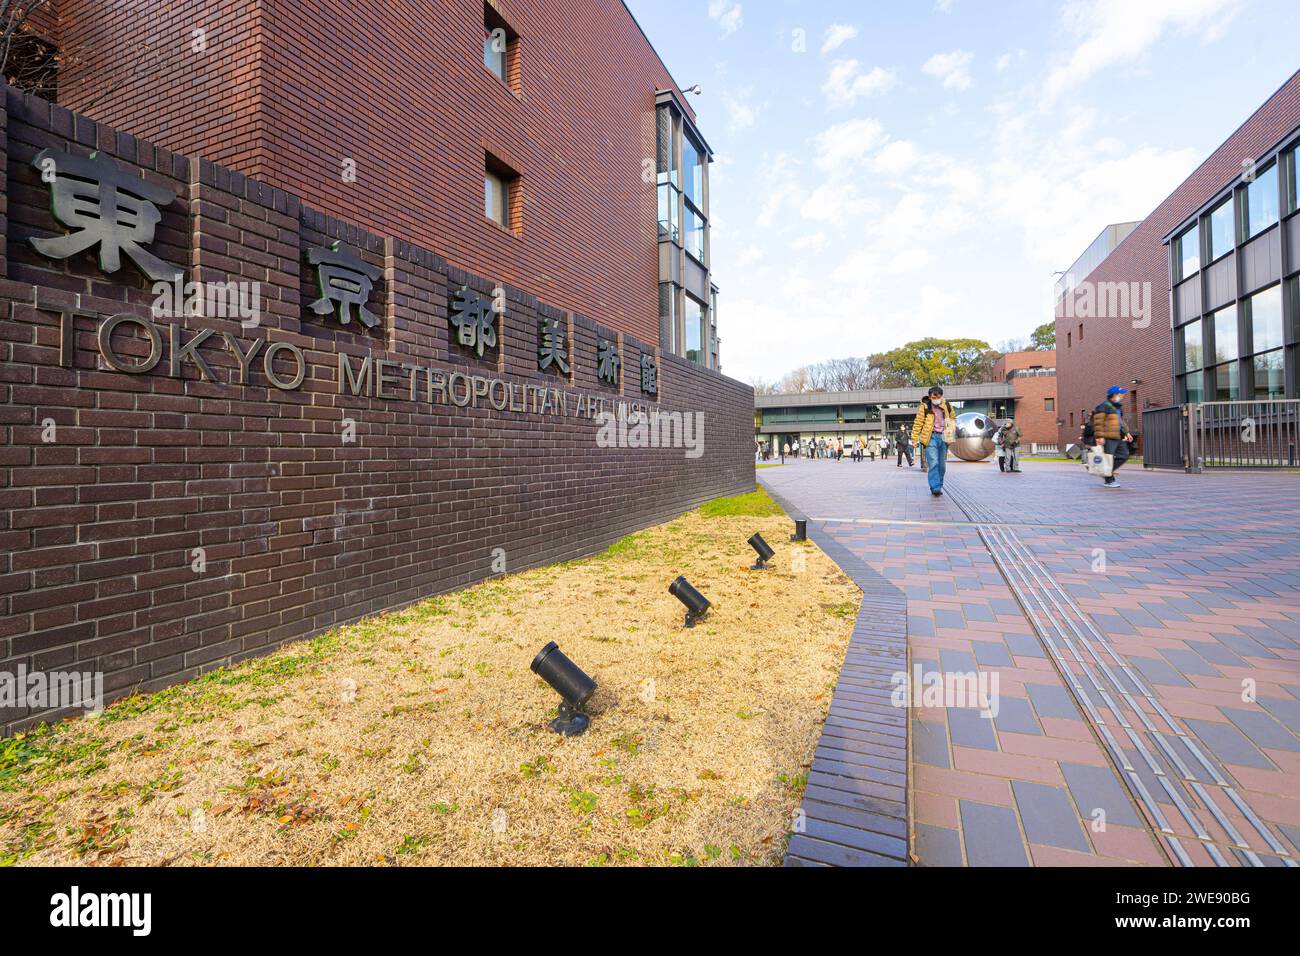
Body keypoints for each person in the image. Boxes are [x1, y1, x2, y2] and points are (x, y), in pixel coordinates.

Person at [912, 385, 955, 497]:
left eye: (938, 396)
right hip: (930, 437)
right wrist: (914, 438)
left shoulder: (947, 405)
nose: (935, 399)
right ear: (930, 397)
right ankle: (935, 487)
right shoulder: (925, 406)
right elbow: (918, 422)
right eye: (933, 397)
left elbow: (953, 419)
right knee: (934, 463)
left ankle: (939, 485)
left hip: (944, 437)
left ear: (941, 396)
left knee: (942, 466)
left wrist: (950, 429)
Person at [1090, 386, 1135, 488]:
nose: (1123, 396)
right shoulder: (1103, 406)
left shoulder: (1117, 407)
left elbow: (1119, 423)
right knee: (1108, 458)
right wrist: (1099, 436)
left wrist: (1126, 433)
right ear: (1114, 395)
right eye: (1121, 394)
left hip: (1117, 436)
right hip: (1108, 436)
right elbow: (1098, 422)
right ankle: (1109, 480)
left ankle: (1105, 471)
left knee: (1124, 455)